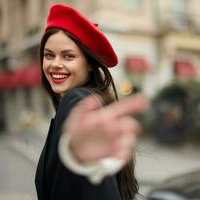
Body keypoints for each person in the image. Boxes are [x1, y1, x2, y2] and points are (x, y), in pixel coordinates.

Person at [35, 3, 149, 200]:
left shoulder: (77, 101)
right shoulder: (92, 101)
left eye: (68, 56)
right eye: (48, 55)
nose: (55, 64)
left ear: (89, 64)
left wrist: (86, 164)